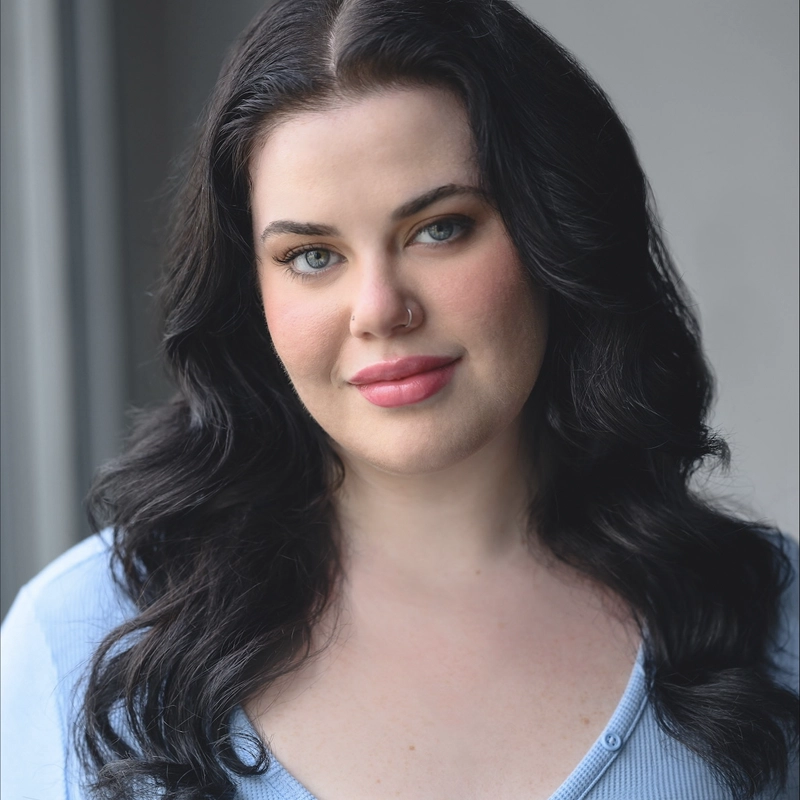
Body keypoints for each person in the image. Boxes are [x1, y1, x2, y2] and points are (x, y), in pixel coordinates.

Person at [1, 0, 797, 798]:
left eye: (440, 229)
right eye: (313, 255)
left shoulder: (776, 619)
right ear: (252, 295)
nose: (380, 309)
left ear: (555, 232)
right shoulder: (78, 638)